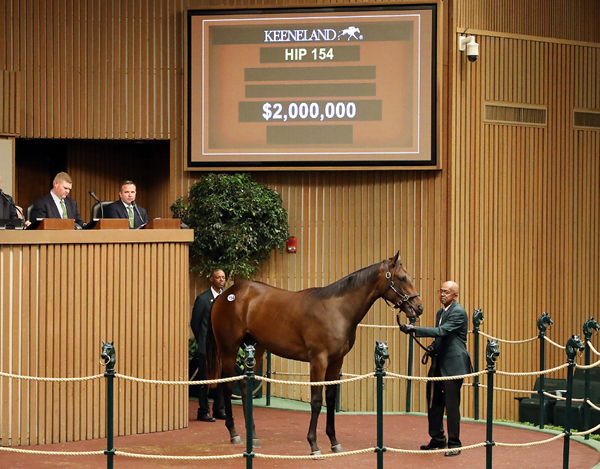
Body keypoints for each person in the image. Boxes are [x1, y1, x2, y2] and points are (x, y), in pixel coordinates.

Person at [399, 281, 473, 457]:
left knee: (452, 406)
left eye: (446, 292)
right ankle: (438, 438)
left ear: (455, 296)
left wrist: (414, 329)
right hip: (438, 363)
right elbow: (442, 337)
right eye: (441, 291)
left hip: (453, 366)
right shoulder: (441, 312)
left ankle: (455, 444)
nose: (442, 294)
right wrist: (432, 346)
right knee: (434, 402)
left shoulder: (459, 312)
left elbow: (443, 331)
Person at [190, 269, 227, 422]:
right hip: (206, 346)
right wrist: (202, 341)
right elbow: (195, 323)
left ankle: (219, 409)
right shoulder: (203, 299)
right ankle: (203, 411)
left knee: (221, 379)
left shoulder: (227, 298)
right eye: (218, 277)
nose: (221, 280)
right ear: (211, 279)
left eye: (223, 278)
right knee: (204, 380)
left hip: (221, 346)